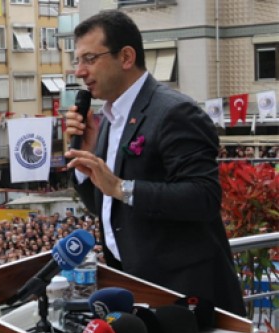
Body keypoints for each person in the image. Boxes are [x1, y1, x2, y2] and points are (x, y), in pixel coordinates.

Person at [63, 10, 244, 316]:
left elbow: (204, 197)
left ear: (126, 57)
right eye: (77, 61)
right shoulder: (108, 118)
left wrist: (121, 187)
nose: (79, 71)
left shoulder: (175, 112)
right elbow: (107, 208)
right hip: (137, 285)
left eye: (90, 59)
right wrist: (86, 170)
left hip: (186, 295)